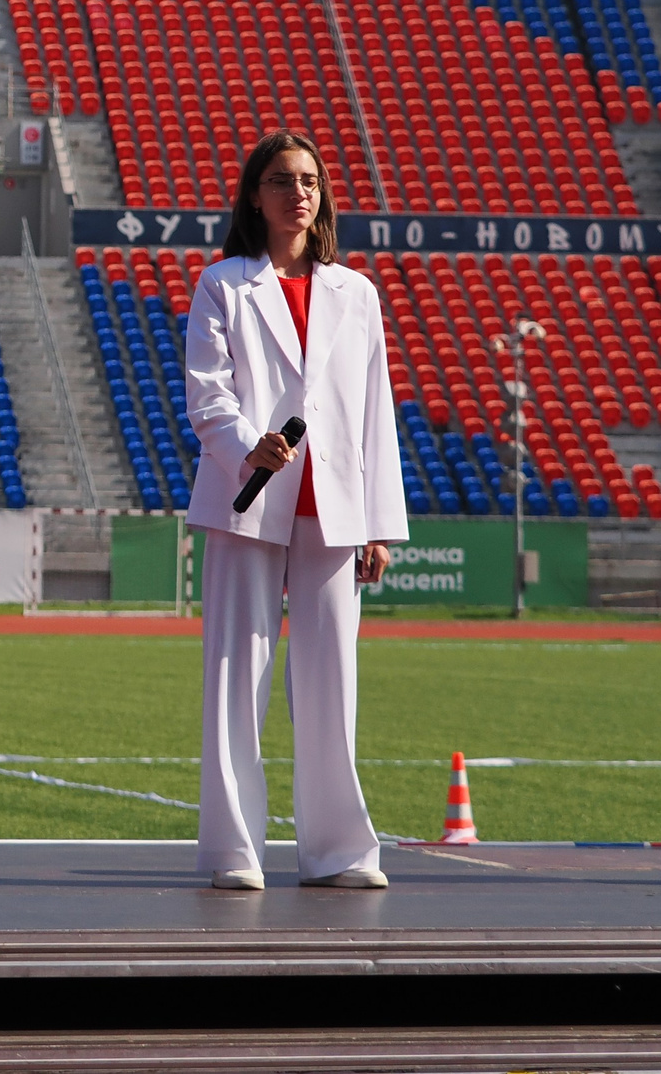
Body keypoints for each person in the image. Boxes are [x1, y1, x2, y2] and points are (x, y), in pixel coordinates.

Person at [182, 130, 405, 891]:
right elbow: (207, 393)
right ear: (255, 195)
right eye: (281, 179)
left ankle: (339, 851)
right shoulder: (223, 284)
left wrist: (379, 524)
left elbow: (374, 412)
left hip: (335, 509)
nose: (298, 192)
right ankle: (234, 851)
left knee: (331, 682)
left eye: (309, 180)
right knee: (235, 675)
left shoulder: (356, 293)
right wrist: (249, 446)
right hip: (246, 501)